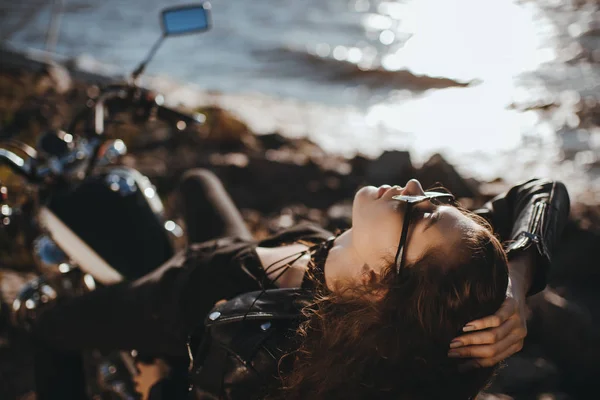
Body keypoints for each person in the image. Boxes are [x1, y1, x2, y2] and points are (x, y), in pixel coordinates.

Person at [31, 169, 570, 400]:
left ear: (379, 283)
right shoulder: (425, 269)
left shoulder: (275, 350)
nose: (415, 189)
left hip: (172, 302)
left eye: (420, 215)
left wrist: (161, 387)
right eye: (439, 200)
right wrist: (516, 285)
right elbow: (544, 190)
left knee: (42, 328)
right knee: (197, 182)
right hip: (229, 255)